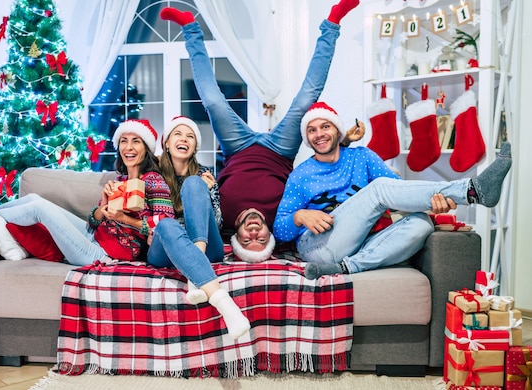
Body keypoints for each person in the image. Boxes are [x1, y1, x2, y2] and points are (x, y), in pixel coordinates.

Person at [160, 0, 362, 262]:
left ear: (234, 238)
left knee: (211, 101)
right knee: (307, 98)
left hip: (237, 148)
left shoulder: (224, 222)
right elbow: (322, 178)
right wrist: (343, 141)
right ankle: (333, 23)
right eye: (261, 240)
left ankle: (190, 29)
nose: (254, 234)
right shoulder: (282, 219)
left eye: (247, 241)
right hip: (280, 151)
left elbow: (191, 207)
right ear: (271, 235)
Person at [272, 101, 512, 278]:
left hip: (363, 243)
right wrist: (300, 216)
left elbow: (397, 193)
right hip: (319, 246)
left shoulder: (363, 157)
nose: (319, 134)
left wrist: (433, 202)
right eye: (312, 130)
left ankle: (348, 267)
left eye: (325, 126)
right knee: (378, 190)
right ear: (307, 137)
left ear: (338, 130)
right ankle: (471, 191)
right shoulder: (301, 175)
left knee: (422, 223)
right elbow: (280, 230)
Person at [0, 119, 175, 266]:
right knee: (34, 198)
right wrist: (103, 207)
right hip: (92, 235)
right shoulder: (120, 180)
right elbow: (93, 221)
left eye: (136, 141)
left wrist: (124, 219)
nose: (129, 147)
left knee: (39, 209)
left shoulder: (154, 181)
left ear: (146, 147)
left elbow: (167, 225)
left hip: (103, 255)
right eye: (124, 141)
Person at [148, 116, 250, 339]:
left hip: (206, 247)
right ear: (166, 142)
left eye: (190, 136)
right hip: (165, 246)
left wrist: (211, 196)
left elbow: (218, 225)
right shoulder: (153, 174)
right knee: (166, 224)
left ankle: (195, 274)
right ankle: (225, 305)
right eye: (178, 134)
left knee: (194, 183)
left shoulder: (204, 175)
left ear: (195, 147)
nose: (184, 139)